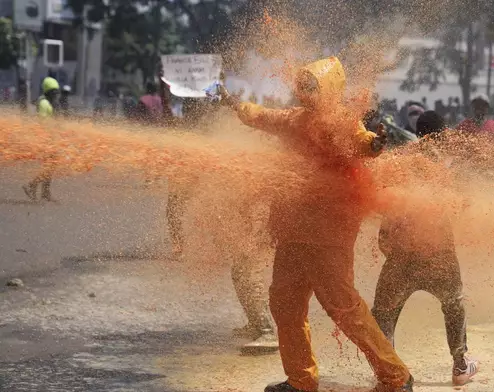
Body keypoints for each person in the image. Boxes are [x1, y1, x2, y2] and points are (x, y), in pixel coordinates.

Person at [219, 56, 414, 392]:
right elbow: (262, 116)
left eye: (312, 86)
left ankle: (396, 376)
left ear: (328, 89)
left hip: (328, 236)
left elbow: (361, 141)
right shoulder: (294, 119)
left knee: (345, 310)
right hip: (292, 233)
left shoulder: (340, 122)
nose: (305, 92)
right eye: (303, 85)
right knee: (285, 304)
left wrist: (375, 144)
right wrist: (236, 104)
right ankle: (300, 381)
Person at [158, 74, 279, 354]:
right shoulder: (211, 134)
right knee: (240, 271)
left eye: (195, 106)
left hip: (250, 215)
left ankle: (266, 331)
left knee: (246, 270)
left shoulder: (232, 131)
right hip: (242, 214)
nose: (192, 110)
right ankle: (256, 323)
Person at [372, 110, 478, 387]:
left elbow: (391, 203)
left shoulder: (403, 160)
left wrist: (387, 240)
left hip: (402, 254)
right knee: (453, 305)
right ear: (443, 134)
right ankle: (460, 365)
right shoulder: (446, 166)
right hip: (439, 253)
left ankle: (390, 371)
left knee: (383, 311)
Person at [23, 77, 60, 202]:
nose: (56, 95)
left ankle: (45, 192)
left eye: (57, 92)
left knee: (51, 166)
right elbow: (43, 122)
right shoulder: (44, 103)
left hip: (51, 138)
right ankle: (31, 185)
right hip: (46, 139)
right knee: (49, 166)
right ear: (47, 92)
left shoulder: (48, 102)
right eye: (53, 92)